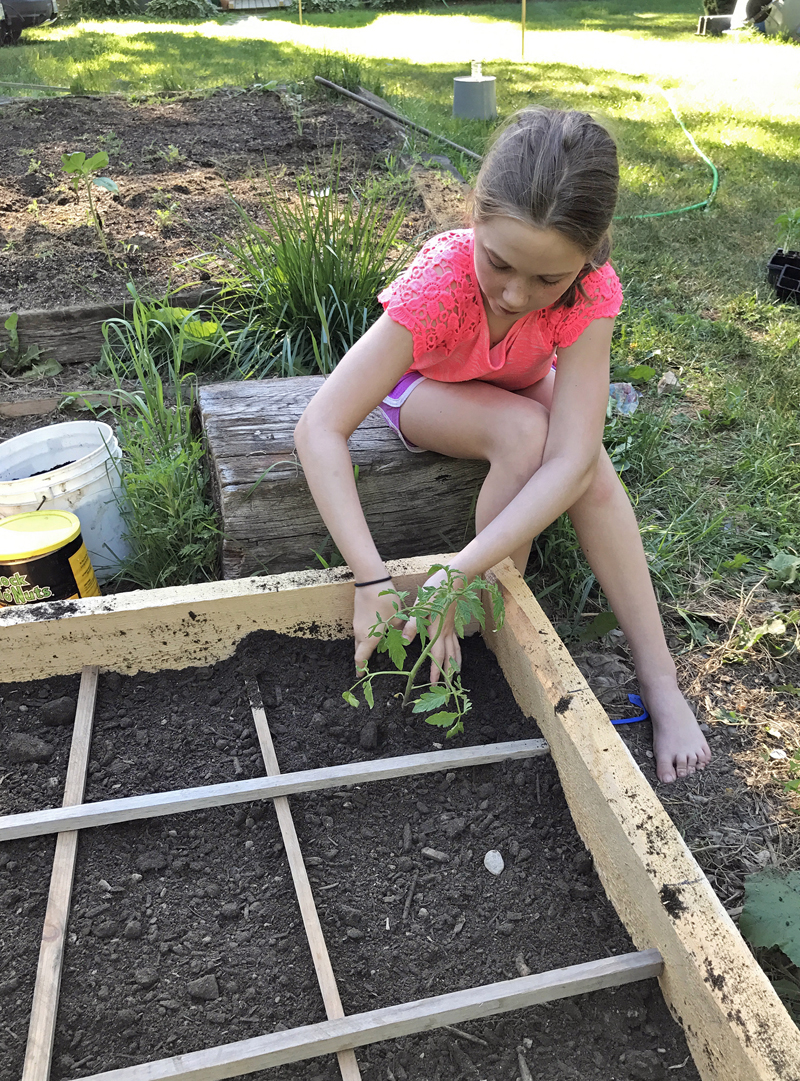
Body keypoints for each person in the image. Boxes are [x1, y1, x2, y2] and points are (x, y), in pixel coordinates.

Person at [295, 106, 711, 785]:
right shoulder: (443, 282)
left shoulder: (590, 292)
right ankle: (495, 612)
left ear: (592, 250)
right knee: (524, 432)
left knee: (595, 470)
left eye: (549, 279)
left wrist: (455, 569)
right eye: (501, 264)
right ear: (475, 216)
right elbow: (320, 425)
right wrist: (371, 579)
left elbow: (574, 458)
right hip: (424, 391)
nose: (519, 294)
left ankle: (657, 678)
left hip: (518, 380)